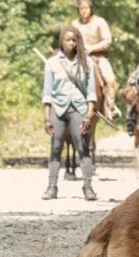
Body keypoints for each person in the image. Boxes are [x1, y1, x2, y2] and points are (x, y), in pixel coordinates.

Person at [41, 26, 98, 201]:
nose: (71, 43)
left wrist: (89, 115)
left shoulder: (86, 62)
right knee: (56, 148)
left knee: (83, 147)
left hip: (78, 108)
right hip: (58, 109)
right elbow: (47, 93)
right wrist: (46, 118)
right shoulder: (52, 63)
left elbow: (91, 92)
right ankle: (52, 187)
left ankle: (88, 186)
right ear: (62, 41)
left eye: (74, 40)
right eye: (68, 40)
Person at [71, 0, 120, 120]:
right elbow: (69, 39)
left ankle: (110, 106)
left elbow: (107, 41)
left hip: (98, 57)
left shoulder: (99, 22)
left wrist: (92, 48)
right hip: (78, 57)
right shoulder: (74, 24)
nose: (84, 11)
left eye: (86, 8)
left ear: (91, 9)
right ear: (78, 10)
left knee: (110, 79)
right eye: (81, 8)